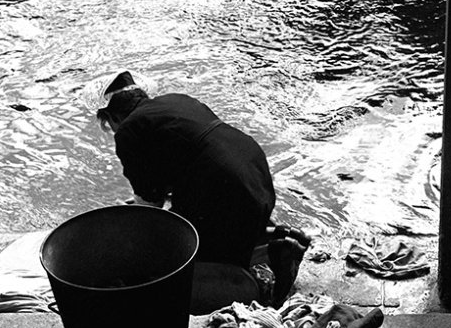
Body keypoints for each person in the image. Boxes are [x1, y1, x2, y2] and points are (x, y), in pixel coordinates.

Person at [94, 71, 307, 306]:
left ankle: (254, 280)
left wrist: (136, 226)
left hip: (222, 187)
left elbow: (150, 206)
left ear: (112, 118)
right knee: (231, 229)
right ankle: (277, 240)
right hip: (253, 170)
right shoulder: (177, 100)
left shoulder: (128, 131)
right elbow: (182, 165)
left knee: (181, 256)